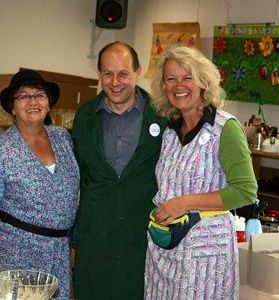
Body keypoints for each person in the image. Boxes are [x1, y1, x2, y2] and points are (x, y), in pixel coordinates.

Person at [144, 46, 258, 299]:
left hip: (206, 255)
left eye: (187, 77)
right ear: (163, 86)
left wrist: (184, 203)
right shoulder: (170, 131)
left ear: (203, 82)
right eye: (171, 79)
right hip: (167, 248)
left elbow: (245, 191)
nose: (178, 85)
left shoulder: (224, 128)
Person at [72, 42, 167, 299]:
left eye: (123, 73)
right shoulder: (84, 117)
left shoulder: (162, 117)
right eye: (108, 74)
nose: (116, 82)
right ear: (99, 74)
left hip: (143, 236)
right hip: (95, 234)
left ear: (138, 72)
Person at [0, 69, 80, 299]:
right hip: (20, 255)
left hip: (61, 253)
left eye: (39, 95)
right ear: (12, 107)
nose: (33, 101)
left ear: (48, 103)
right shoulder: (4, 151)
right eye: (23, 96)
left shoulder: (62, 138)